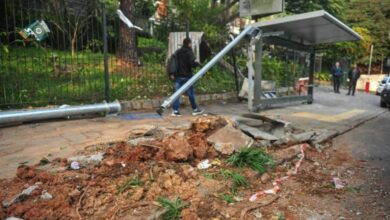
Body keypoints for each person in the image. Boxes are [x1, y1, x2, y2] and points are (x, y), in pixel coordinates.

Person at [171, 38, 204, 117]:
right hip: (187, 76)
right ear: (189, 44)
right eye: (191, 43)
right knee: (190, 94)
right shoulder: (189, 52)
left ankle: (175, 111)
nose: (191, 45)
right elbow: (192, 64)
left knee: (177, 94)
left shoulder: (178, 52)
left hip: (178, 76)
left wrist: (172, 73)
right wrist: (198, 64)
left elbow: (173, 61)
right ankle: (195, 110)